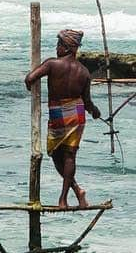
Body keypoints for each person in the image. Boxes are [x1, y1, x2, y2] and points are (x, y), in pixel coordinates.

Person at [24, 29, 100, 209]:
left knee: (54, 154)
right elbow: (88, 102)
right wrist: (95, 112)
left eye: (59, 45)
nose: (57, 48)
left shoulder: (52, 64)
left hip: (58, 113)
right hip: (78, 113)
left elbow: (30, 78)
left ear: (67, 48)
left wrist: (30, 87)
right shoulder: (84, 72)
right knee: (70, 156)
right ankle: (68, 196)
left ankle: (70, 194)